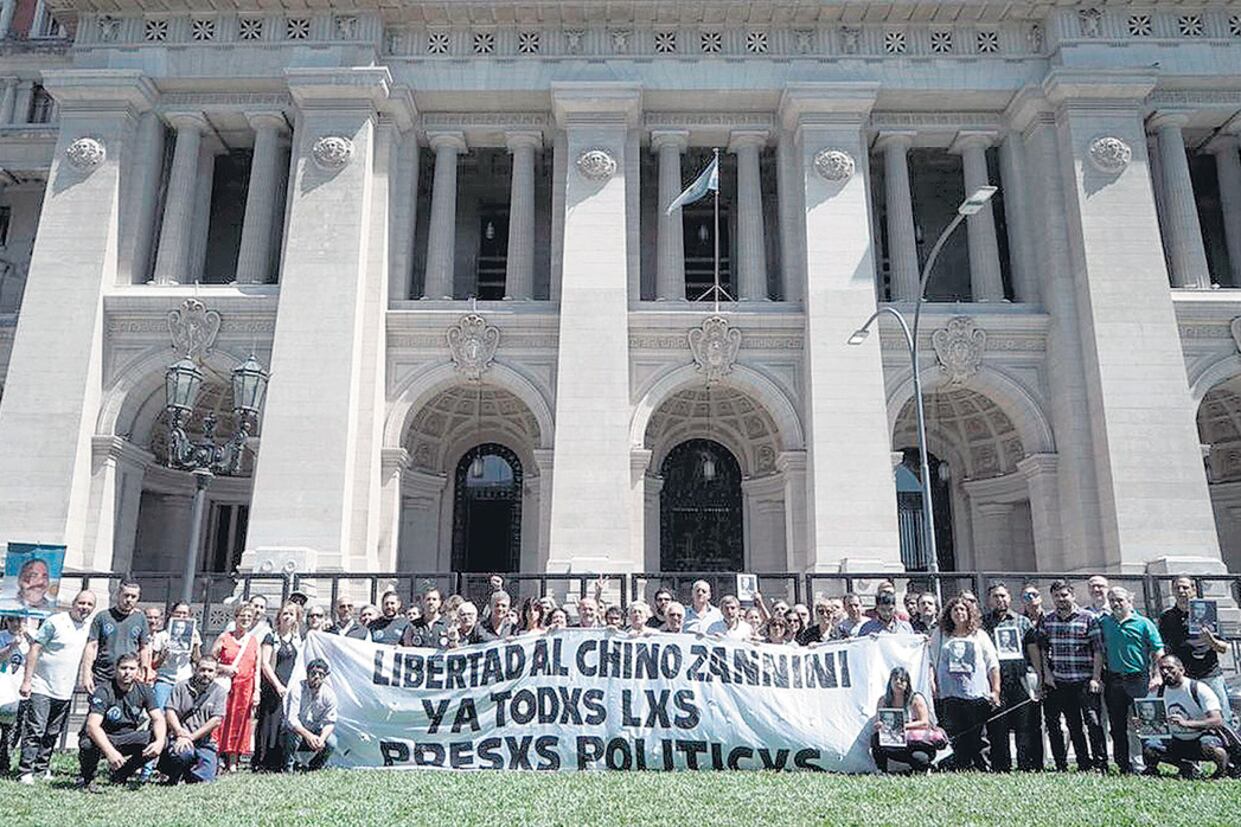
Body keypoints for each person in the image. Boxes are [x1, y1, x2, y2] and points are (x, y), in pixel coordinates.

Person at [17, 590, 95, 784]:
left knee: (53, 731)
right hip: (41, 685)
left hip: (65, 689)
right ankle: (25, 770)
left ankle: (42, 768)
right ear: (73, 602)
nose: (84, 607)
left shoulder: (88, 628)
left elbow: (89, 652)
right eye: (81, 602)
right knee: (36, 728)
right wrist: (27, 680)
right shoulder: (56, 621)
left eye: (89, 605)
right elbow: (35, 649)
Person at [1038, 579, 1107, 772]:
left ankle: (1101, 763)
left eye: (1064, 595)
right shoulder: (1048, 620)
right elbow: (1043, 650)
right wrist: (1048, 675)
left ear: (1073, 595)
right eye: (1057, 596)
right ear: (1052, 598)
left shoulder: (1088, 617)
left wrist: (1096, 677)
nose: (1061, 599)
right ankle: (1083, 763)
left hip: (1085, 679)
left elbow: (1098, 650)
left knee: (1093, 722)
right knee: (1073, 724)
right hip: (1061, 681)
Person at [930, 595, 1000, 771]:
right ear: (949, 614)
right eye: (955, 609)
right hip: (949, 694)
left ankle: (983, 767)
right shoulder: (940, 635)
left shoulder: (980, 636)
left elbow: (993, 664)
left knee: (979, 735)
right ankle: (959, 768)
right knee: (954, 734)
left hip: (976, 694)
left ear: (970, 613)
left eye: (963, 609)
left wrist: (995, 690)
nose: (959, 612)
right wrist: (933, 685)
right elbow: (931, 662)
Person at [1098, 586, 1164, 774]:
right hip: (1114, 680)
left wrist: (1158, 674)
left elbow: (1158, 650)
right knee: (1117, 725)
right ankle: (1123, 765)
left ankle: (1147, 764)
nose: (1116, 603)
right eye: (1112, 600)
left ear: (1130, 600)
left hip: (1138, 679)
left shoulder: (1144, 623)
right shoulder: (1105, 623)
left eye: (1119, 599)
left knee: (1143, 724)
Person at [77, 653, 166, 791]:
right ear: (116, 669)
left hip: (127, 737)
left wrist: (159, 741)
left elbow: (158, 718)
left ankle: (122, 773)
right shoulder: (103, 690)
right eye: (123, 668)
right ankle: (88, 779)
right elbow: (92, 726)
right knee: (87, 743)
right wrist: (110, 752)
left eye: (132, 668)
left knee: (161, 740)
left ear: (138, 671)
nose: (127, 672)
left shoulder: (144, 690)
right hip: (105, 738)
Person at [1159, 575, 1235, 730]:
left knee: (1223, 719)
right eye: (1177, 588)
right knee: (1188, 716)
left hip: (1210, 674)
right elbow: (1163, 648)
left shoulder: (1208, 613)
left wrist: (1210, 641)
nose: (1181, 591)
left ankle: (1231, 752)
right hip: (1184, 678)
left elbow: (1224, 648)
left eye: (1185, 587)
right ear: (1173, 591)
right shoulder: (1167, 617)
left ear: (1193, 590)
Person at [982, 584, 1043, 772]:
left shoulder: (1022, 622)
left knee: (1024, 726)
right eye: (995, 596)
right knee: (998, 726)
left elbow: (1033, 651)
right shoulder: (983, 623)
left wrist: (1039, 678)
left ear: (1009, 598)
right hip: (995, 682)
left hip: (1020, 680)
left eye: (1003, 595)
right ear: (989, 600)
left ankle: (1026, 765)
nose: (1000, 600)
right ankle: (1002, 767)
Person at [1141, 655, 1229, 779]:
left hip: (1200, 738)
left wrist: (1187, 724)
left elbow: (1217, 721)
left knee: (1213, 749)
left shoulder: (1198, 688)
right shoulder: (1157, 691)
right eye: (1162, 669)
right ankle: (1184, 766)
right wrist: (1143, 723)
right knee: (1150, 746)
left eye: (1170, 668)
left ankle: (1222, 771)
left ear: (1182, 670)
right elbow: (1152, 723)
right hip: (1176, 740)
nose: (1165, 672)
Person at [158, 656, 226, 785]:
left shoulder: (220, 692)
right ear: (195, 669)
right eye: (202, 670)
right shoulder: (181, 687)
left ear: (216, 673)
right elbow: (170, 711)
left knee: (206, 779)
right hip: (179, 738)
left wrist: (191, 737)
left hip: (203, 741)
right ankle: (174, 775)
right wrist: (179, 732)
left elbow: (216, 720)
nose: (206, 674)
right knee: (183, 754)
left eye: (210, 671)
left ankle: (188, 775)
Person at [254, 601, 302, 772]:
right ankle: (263, 761)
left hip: (290, 687)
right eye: (284, 613)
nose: (287, 616)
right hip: (273, 686)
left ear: (296, 618)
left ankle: (279, 761)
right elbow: (265, 664)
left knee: (284, 723)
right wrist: (277, 685)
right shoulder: (271, 637)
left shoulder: (297, 640)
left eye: (291, 614)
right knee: (269, 724)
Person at [212, 602, 261, 772]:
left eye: (249, 617)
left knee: (239, 723)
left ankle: (233, 760)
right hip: (224, 686)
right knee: (220, 720)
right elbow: (209, 663)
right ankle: (215, 756)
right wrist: (225, 668)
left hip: (245, 688)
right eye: (243, 616)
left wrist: (257, 691)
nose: (246, 620)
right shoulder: (224, 637)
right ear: (236, 618)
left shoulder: (254, 641)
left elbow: (257, 669)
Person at [80, 578, 150, 692]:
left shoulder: (141, 618)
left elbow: (144, 647)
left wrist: (143, 669)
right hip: (104, 676)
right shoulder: (103, 616)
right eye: (126, 595)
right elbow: (91, 646)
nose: (129, 600)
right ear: (118, 594)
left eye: (133, 597)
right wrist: (86, 675)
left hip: (128, 678)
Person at [871, 667, 935, 774]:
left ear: (907, 683)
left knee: (920, 760)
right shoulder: (883, 700)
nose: (898, 682)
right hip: (894, 741)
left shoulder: (916, 699)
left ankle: (925, 767)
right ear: (890, 682)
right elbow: (879, 720)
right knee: (875, 739)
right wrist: (879, 725)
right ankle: (881, 770)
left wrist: (904, 726)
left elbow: (925, 722)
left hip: (915, 743)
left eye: (902, 680)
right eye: (895, 679)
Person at [283, 658, 337, 772]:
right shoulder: (297, 689)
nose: (317, 677)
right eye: (313, 673)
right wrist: (308, 736)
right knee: (290, 736)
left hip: (315, 732)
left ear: (325, 677)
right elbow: (291, 720)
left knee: (332, 742)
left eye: (321, 674)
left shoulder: (329, 695)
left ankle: (313, 768)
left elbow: (330, 722)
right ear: (307, 674)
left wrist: (321, 739)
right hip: (296, 731)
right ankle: (288, 768)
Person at [0, 615, 30, 772]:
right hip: (2, 690)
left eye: (19, 620)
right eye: (12, 620)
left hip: (18, 691)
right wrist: (12, 646)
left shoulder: (28, 639)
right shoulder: (2, 636)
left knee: (12, 730)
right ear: (6, 621)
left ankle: (3, 763)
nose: (16, 623)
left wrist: (28, 637)